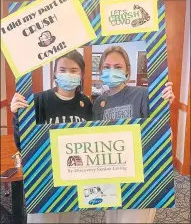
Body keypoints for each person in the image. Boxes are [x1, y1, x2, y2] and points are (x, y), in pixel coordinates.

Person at [93, 46, 175, 223]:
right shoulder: (99, 102)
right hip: (110, 170)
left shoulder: (143, 94)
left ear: (127, 70)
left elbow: (156, 130)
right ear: (100, 70)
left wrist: (163, 105)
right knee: (112, 218)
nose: (111, 71)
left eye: (117, 66)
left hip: (140, 170)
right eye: (106, 67)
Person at [11, 50, 92, 223]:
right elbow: (22, 144)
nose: (67, 74)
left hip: (74, 178)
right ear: (54, 72)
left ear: (81, 74)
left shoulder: (86, 103)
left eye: (73, 70)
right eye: (62, 70)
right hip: (43, 178)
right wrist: (17, 116)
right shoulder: (38, 100)